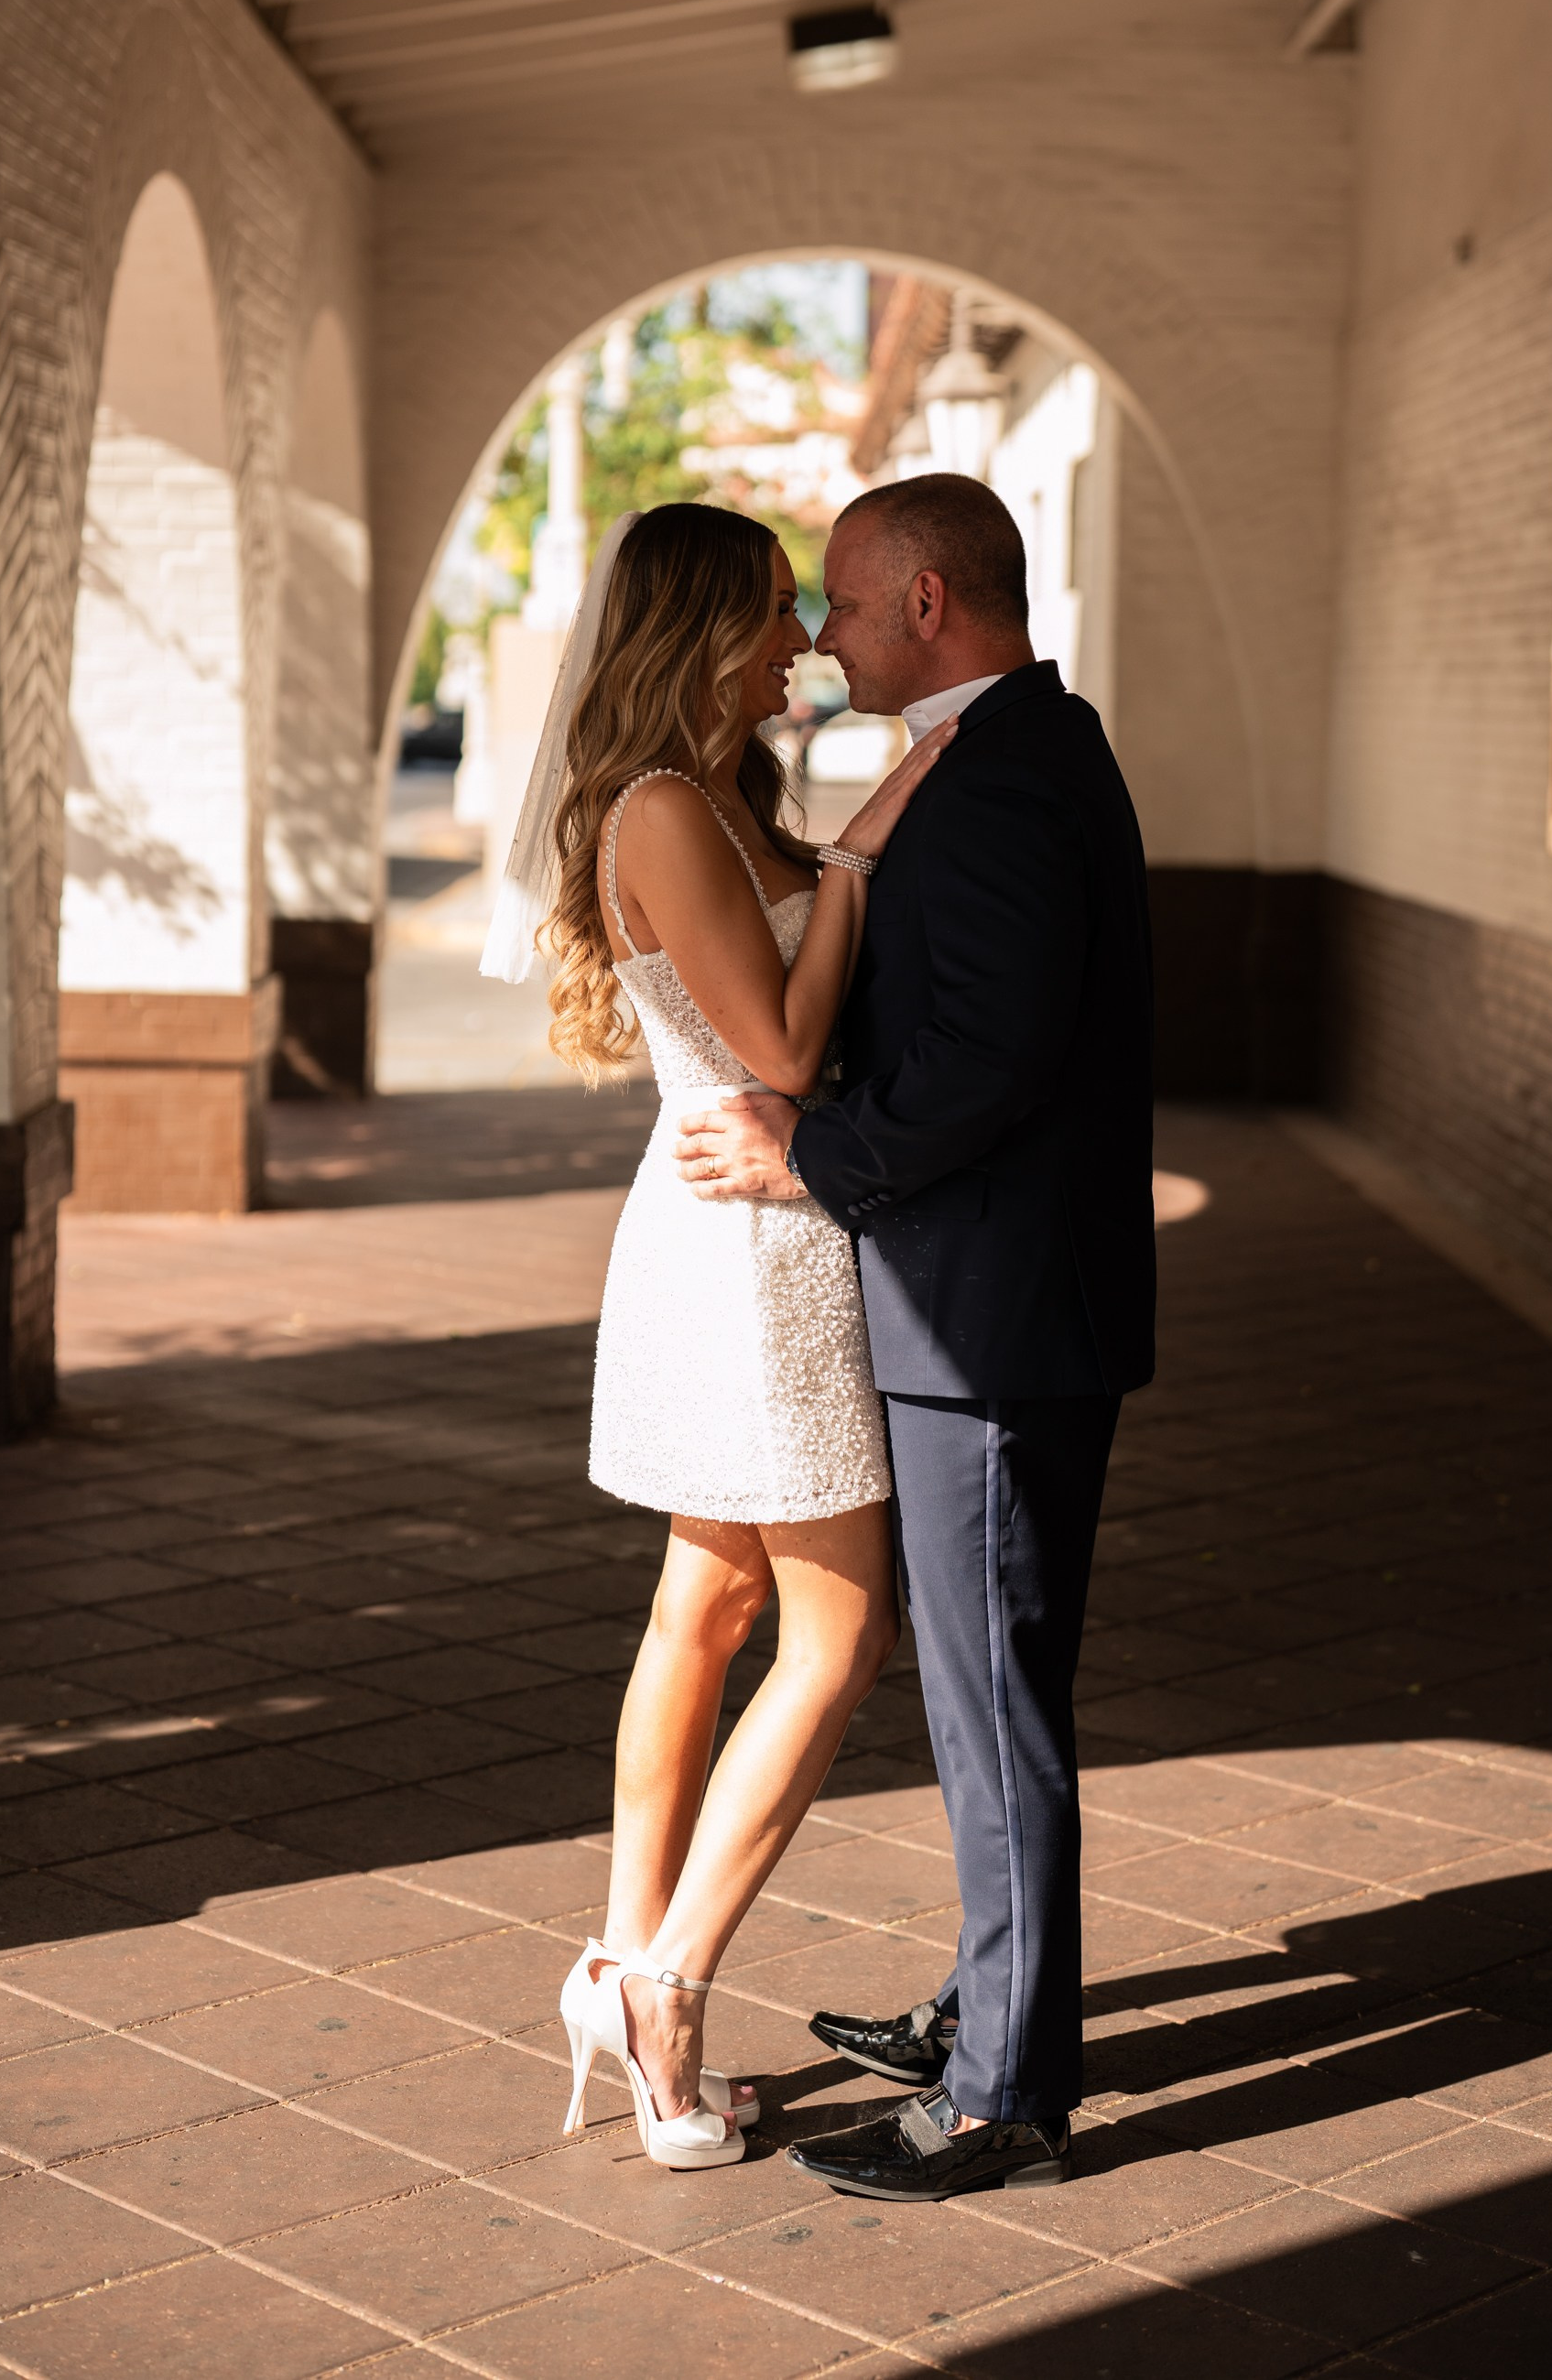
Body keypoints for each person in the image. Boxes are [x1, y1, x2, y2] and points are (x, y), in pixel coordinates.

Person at [675, 473, 1156, 2204]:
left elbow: (998, 1056)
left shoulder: (1016, 768)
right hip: (1001, 1301)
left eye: (848, 604)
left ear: (933, 602)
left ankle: (1007, 2093)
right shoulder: (1002, 747)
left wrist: (815, 1153)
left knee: (992, 1701)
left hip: (998, 1318)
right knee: (983, 1691)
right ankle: (988, 2007)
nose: (823, 633)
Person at [480, 501, 951, 2173]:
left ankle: (619, 1962)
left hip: (739, 1227)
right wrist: (863, 862)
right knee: (834, 1642)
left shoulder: (703, 797)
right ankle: (672, 1981)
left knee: (710, 1602)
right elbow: (790, 1053)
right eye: (769, 611)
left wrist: (827, 858)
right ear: (695, 632)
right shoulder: (669, 810)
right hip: (757, 1243)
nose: (802, 637)